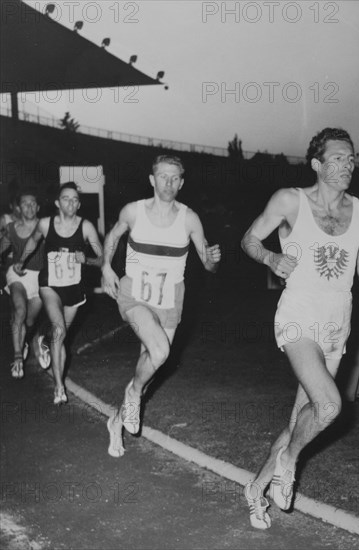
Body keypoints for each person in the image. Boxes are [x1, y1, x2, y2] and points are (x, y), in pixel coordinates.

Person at [241, 128, 359, 529]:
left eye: (351, 159)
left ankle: (256, 489)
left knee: (300, 421)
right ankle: (288, 464)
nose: (347, 166)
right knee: (329, 406)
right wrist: (271, 259)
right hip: (298, 316)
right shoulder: (290, 200)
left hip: (337, 323)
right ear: (318, 164)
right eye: (337, 159)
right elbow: (249, 239)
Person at [101, 155, 221, 458]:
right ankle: (134, 393)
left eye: (174, 178)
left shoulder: (190, 218)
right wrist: (105, 266)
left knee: (152, 362)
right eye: (162, 176)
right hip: (135, 294)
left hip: (170, 299)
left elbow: (207, 265)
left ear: (181, 183)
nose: (168, 182)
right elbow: (113, 236)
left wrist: (212, 260)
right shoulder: (134, 211)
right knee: (160, 352)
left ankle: (116, 420)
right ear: (152, 180)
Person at [13, 182, 103, 404]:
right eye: (66, 198)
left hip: (74, 286)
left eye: (74, 199)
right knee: (60, 329)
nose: (70, 203)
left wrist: (88, 259)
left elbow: (103, 259)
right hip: (49, 284)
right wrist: (21, 261)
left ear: (79, 204)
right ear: (57, 203)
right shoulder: (45, 224)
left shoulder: (87, 227)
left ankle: (44, 340)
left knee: (59, 335)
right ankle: (59, 387)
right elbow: (32, 242)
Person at [0, 190, 49, 378]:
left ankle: (30, 340)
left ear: (37, 207)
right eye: (24, 204)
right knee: (20, 311)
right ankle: (18, 357)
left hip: (39, 278)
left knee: (29, 321)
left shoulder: (45, 227)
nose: (28, 207)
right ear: (19, 208)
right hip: (17, 275)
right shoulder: (12, 228)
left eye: (32, 203)